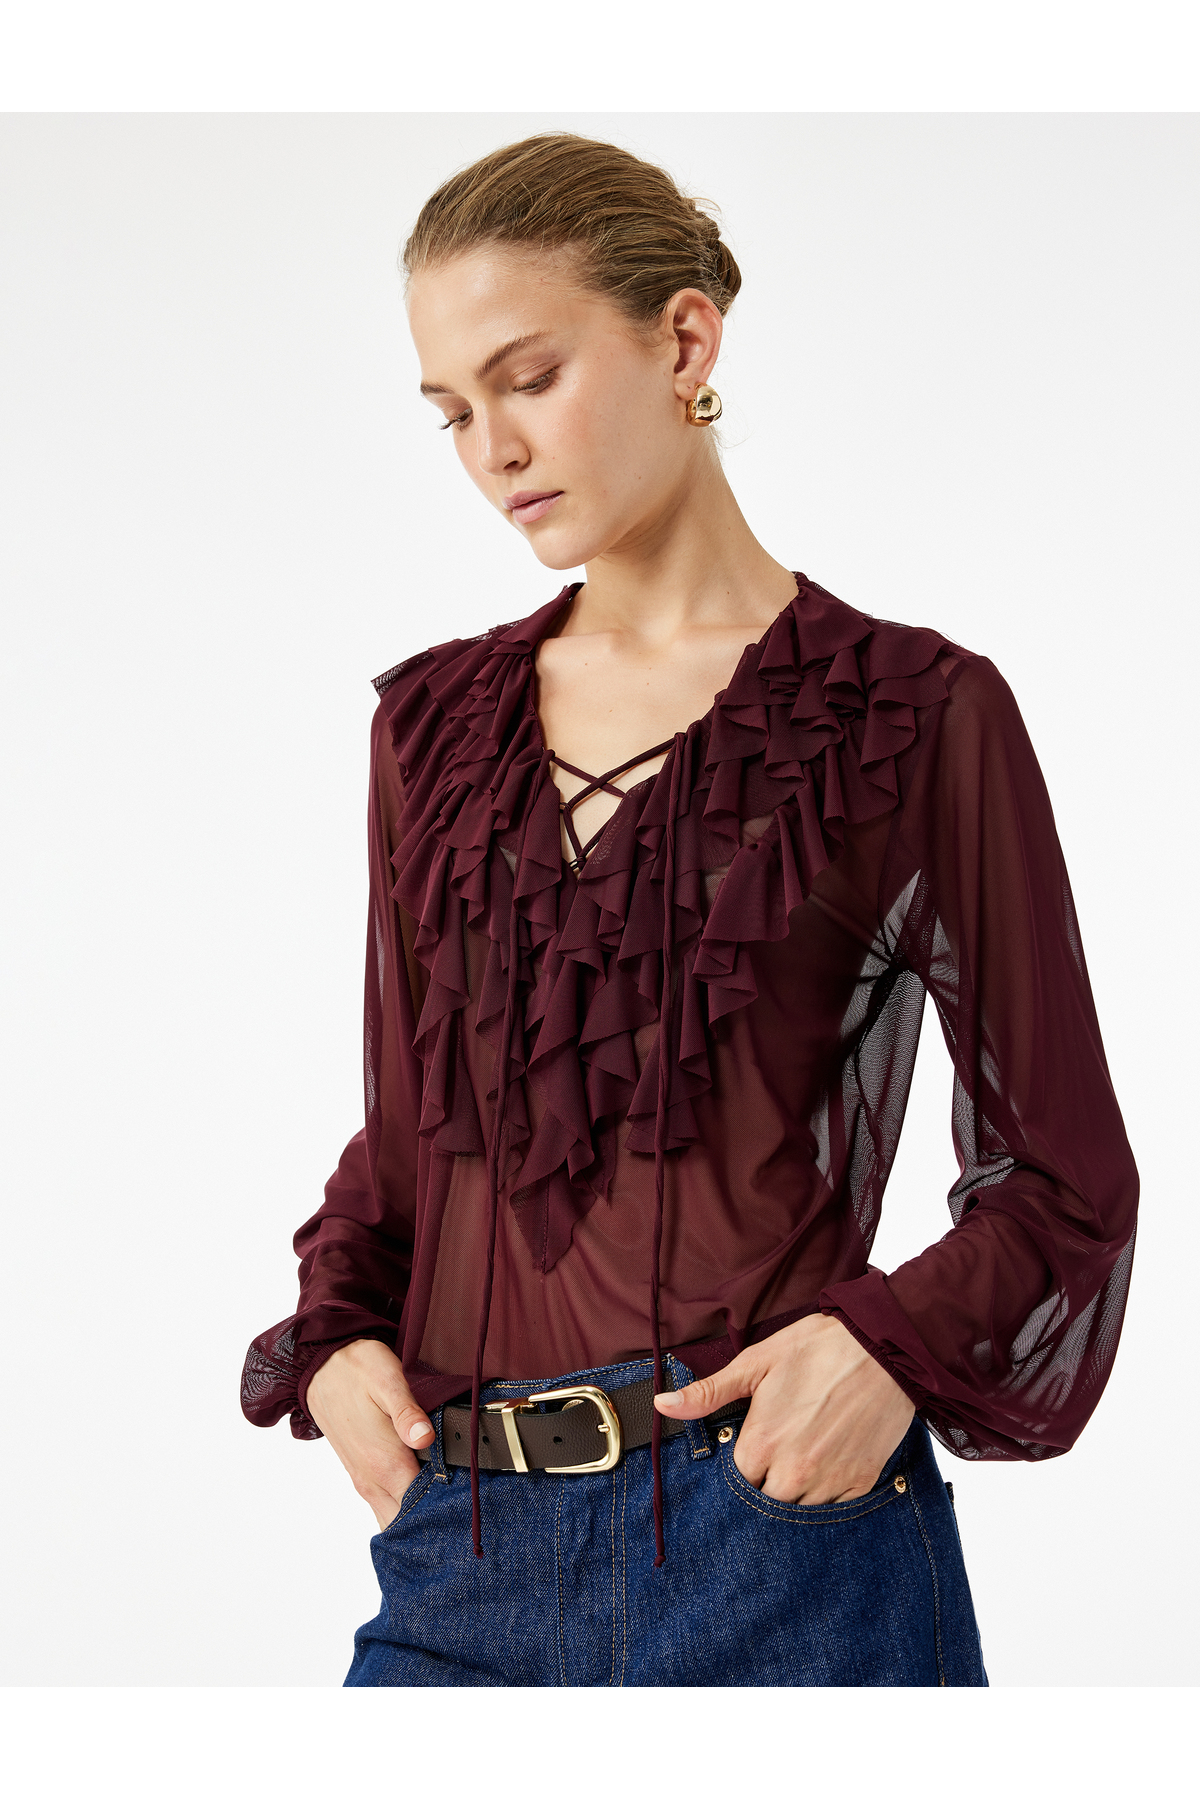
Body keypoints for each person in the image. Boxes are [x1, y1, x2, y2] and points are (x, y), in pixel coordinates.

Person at [240, 133, 1139, 1688]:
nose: (493, 449)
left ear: (685, 339)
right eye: (453, 411)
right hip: (463, 1545)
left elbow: (1062, 1178)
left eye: (529, 377)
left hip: (783, 1537)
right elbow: (411, 1131)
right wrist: (333, 1344)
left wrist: (876, 1353)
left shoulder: (913, 713)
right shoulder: (430, 730)